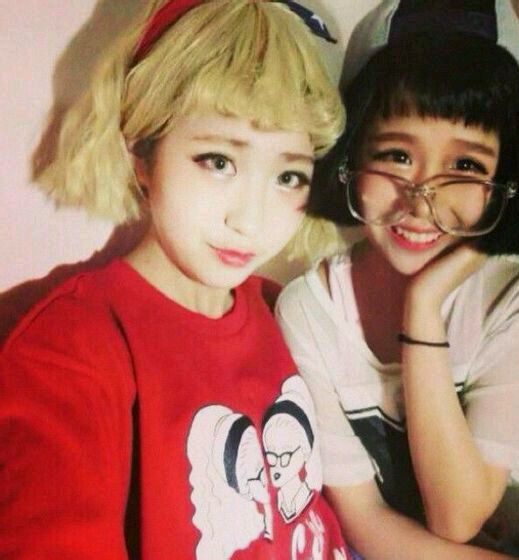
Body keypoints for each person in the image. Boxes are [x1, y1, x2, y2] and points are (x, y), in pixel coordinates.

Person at [0, 1, 349, 558]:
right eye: (219, 161)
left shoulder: (280, 309)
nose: (251, 220)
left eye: (288, 176)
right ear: (142, 153)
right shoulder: (70, 350)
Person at [275, 2, 519, 559]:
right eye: (397, 155)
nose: (422, 199)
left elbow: (459, 513)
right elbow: (364, 520)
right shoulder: (308, 310)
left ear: (504, 178)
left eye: (466, 166)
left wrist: (424, 308)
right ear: (352, 155)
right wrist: (423, 307)